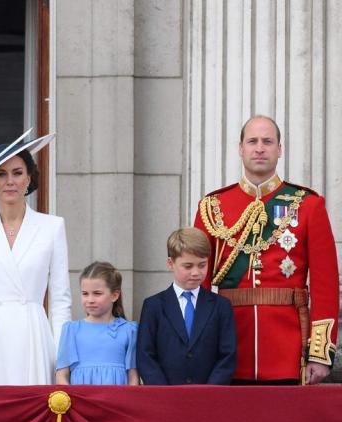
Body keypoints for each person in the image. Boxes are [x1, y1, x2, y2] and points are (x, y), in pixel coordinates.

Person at [194, 115, 339, 385]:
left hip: (288, 351)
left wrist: (319, 353)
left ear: (279, 150)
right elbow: (198, 283)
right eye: (252, 141)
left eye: (267, 141)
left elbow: (325, 284)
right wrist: (200, 347)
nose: (259, 148)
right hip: (228, 348)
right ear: (241, 149)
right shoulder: (212, 207)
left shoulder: (308, 205)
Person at [0, 129, 71, 385]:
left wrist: (63, 358)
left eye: (17, 173)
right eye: (1, 174)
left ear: (29, 178)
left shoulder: (52, 227)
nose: (10, 181)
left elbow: (61, 300)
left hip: (34, 334)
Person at [136, 228, 237, 385]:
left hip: (209, 397)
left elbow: (227, 355)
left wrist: (210, 391)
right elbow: (145, 355)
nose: (196, 272)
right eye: (188, 266)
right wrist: (164, 393)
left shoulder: (221, 306)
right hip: (166, 398)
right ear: (171, 263)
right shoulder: (153, 306)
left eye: (202, 265)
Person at [55, 262, 139, 385]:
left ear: (114, 295)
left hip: (116, 401)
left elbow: (133, 377)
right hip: (81, 401)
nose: (90, 300)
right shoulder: (71, 330)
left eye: (97, 293)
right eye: (85, 293)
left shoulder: (129, 330)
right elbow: (62, 375)